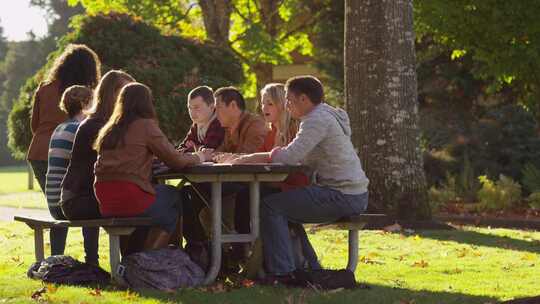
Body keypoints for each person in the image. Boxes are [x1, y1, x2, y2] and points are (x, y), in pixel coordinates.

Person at [231, 76, 369, 284]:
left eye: (289, 100)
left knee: (271, 206)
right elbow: (294, 156)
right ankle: (308, 265)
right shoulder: (323, 116)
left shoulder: (316, 120)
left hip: (341, 195)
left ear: (303, 99)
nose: (287, 105)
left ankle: (283, 273)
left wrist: (246, 159)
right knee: (277, 202)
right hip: (349, 192)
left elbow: (288, 157)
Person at [93, 83, 211, 249]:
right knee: (174, 197)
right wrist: (199, 157)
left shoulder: (109, 129)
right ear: (146, 102)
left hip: (104, 198)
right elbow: (175, 159)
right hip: (131, 196)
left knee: (164, 206)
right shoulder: (145, 125)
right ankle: (152, 260)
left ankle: (134, 259)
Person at [27, 44, 100, 259]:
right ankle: (91, 259)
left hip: (40, 151)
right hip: (75, 149)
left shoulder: (45, 87)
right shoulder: (87, 94)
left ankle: (56, 257)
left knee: (59, 206)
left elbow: (35, 124)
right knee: (81, 197)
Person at [60, 70, 135, 221]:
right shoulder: (95, 126)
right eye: (126, 93)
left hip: (89, 195)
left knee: (152, 199)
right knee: (156, 201)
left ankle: (144, 245)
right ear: (111, 95)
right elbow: (121, 161)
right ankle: (148, 245)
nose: (131, 99)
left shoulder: (110, 124)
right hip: (78, 200)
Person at [44, 85, 99, 265]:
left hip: (52, 201)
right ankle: (92, 260)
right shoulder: (80, 130)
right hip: (65, 202)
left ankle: (55, 257)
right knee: (90, 204)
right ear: (85, 103)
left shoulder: (59, 128)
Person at [177, 86, 225, 152]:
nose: (192, 112)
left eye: (197, 108)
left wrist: (195, 147)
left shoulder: (219, 123)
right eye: (189, 108)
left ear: (211, 107)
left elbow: (208, 150)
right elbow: (181, 148)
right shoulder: (196, 125)